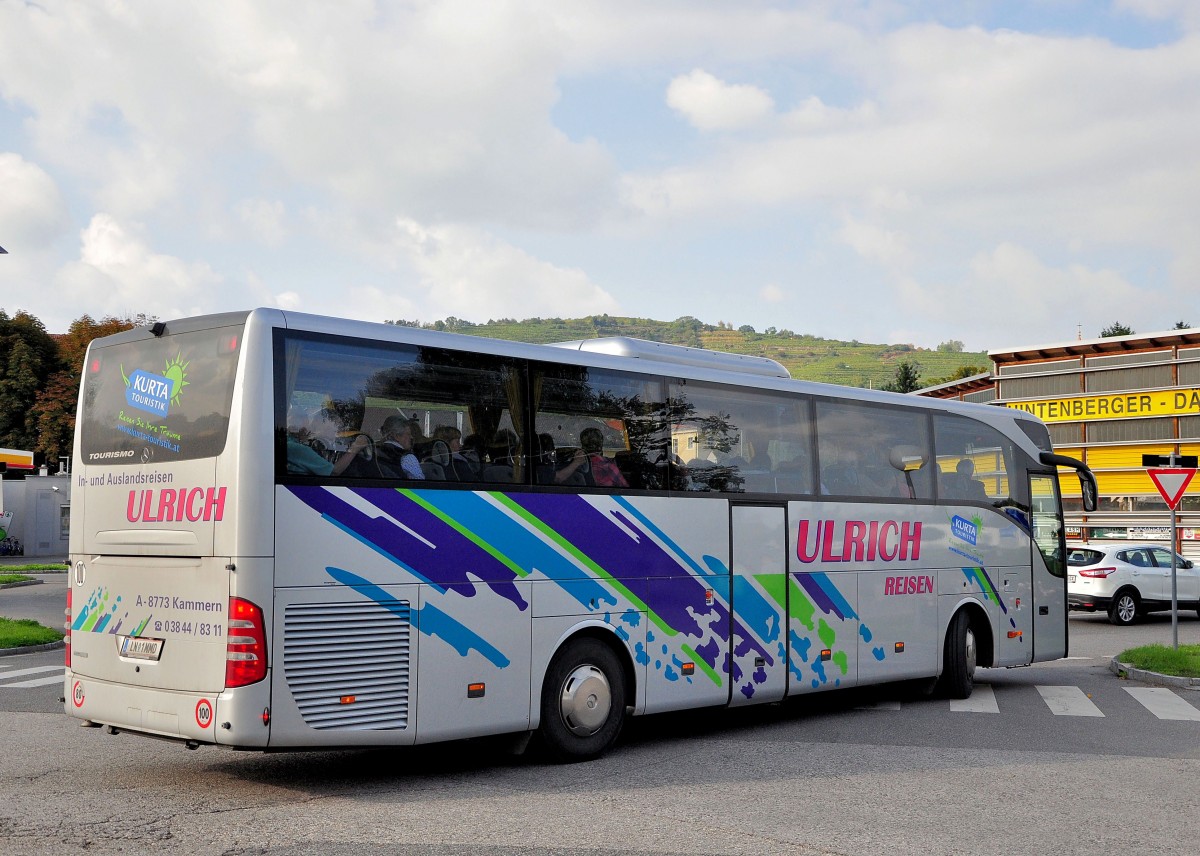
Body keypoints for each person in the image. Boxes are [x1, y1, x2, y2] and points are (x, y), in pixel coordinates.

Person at [335, 414, 424, 479]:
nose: (411, 437)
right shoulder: (407, 458)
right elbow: (421, 487)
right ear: (396, 436)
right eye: (408, 434)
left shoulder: (373, 451)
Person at [556, 427, 627, 487]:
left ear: (582, 444)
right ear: (601, 444)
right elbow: (625, 488)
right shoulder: (607, 466)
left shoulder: (572, 465)